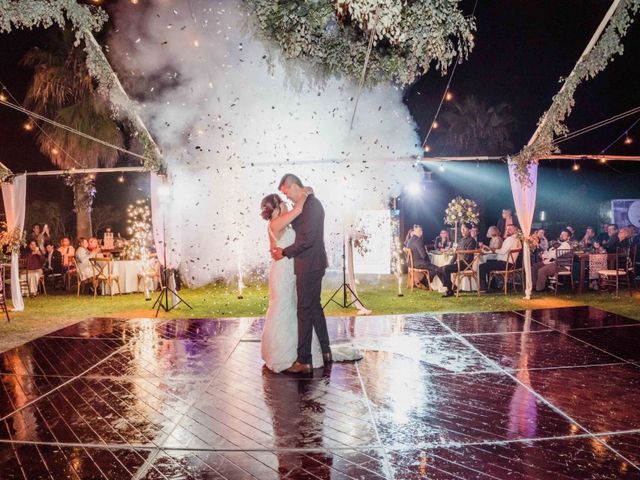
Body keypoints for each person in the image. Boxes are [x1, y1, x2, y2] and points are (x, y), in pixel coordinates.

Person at [271, 174, 360, 374]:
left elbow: (307, 240)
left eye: (287, 193)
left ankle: (304, 360)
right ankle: (325, 350)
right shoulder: (309, 202)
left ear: (293, 186)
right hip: (312, 263)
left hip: (309, 264)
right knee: (314, 308)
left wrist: (284, 252)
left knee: (304, 310)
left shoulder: (311, 205)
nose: (288, 198)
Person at [437, 223, 477, 298]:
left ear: (469, 230)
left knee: (445, 269)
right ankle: (452, 286)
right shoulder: (461, 240)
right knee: (438, 270)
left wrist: (460, 253)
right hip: (459, 263)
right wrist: (451, 262)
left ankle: (450, 291)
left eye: (464, 229)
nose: (462, 231)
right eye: (461, 229)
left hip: (466, 264)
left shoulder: (472, 240)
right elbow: (456, 253)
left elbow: (467, 256)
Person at [478, 224, 522, 290]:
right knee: (487, 261)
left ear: (515, 230)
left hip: (505, 264)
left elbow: (502, 252)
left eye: (510, 229)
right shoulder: (518, 240)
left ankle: (483, 288)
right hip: (511, 264)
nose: (507, 231)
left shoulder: (510, 239)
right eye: (507, 229)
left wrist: (494, 250)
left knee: (482, 266)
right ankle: (492, 284)